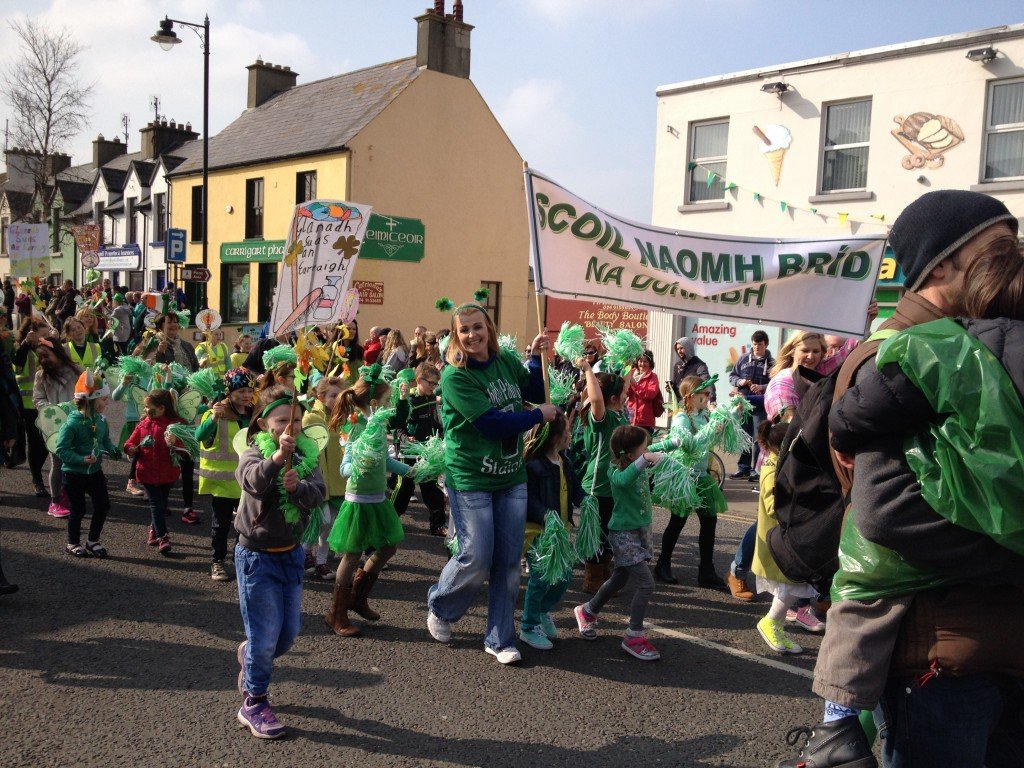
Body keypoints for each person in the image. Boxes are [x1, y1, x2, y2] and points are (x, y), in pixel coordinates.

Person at [776, 189, 1022, 768]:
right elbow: (890, 514)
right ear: (941, 263)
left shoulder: (986, 346)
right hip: (942, 659)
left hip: (996, 650)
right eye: (999, 249)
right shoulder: (899, 358)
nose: (1016, 261)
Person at [425, 301, 556, 665]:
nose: (471, 335)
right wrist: (535, 416)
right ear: (456, 334)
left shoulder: (503, 360)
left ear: (489, 328)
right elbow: (491, 422)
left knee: (509, 561)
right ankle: (441, 604)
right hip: (471, 479)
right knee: (477, 557)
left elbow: (533, 386)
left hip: (510, 476)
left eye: (477, 327)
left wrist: (535, 357)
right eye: (463, 329)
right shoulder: (455, 376)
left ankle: (499, 638)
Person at [234, 384, 325, 740]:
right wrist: (274, 463)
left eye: (297, 420)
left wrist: (297, 488)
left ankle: (251, 652)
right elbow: (252, 483)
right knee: (265, 637)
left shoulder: (306, 457)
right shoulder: (254, 452)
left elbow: (316, 494)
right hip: (256, 558)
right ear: (263, 425)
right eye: (282, 420)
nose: (291, 428)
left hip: (291, 554)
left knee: (286, 636)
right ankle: (253, 702)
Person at [324, 364, 412, 637]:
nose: (389, 405)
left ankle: (358, 598)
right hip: (359, 499)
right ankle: (336, 613)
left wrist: (413, 471)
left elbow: (386, 461)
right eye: (386, 401)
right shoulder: (356, 427)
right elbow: (345, 468)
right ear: (374, 402)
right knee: (352, 553)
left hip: (377, 498)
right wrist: (359, 463)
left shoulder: (376, 425)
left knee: (388, 547)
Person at [573, 424, 665, 661]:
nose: (648, 449)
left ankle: (588, 611)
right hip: (623, 534)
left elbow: (654, 448)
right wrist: (646, 458)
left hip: (640, 532)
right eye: (644, 448)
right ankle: (633, 635)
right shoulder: (614, 471)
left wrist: (675, 443)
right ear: (632, 454)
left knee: (619, 578)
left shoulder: (638, 460)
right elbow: (625, 480)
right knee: (646, 584)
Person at [650, 376, 728, 588]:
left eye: (709, 393)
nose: (708, 396)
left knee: (710, 521)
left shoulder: (703, 416)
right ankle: (663, 564)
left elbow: (708, 442)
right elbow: (689, 445)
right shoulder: (681, 418)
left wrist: (728, 419)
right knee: (678, 520)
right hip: (685, 475)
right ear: (691, 397)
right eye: (704, 393)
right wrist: (711, 430)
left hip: (701, 476)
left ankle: (706, 571)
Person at [519, 412, 584, 650]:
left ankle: (543, 610)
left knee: (563, 577)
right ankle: (528, 626)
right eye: (566, 431)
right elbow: (529, 500)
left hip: (561, 531)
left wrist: (586, 501)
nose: (570, 435)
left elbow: (575, 488)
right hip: (538, 532)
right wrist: (545, 514)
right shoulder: (533, 466)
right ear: (555, 437)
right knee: (540, 578)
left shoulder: (564, 461)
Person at [751, 420, 812, 654]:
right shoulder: (771, 469)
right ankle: (769, 623)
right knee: (789, 585)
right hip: (777, 540)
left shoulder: (783, 464)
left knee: (791, 586)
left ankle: (776, 624)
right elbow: (771, 506)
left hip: (786, 537)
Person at [196, 367, 256, 582]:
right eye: (241, 391)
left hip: (247, 482)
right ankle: (217, 561)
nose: (246, 395)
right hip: (222, 484)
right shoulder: (217, 412)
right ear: (229, 392)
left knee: (247, 525)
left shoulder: (253, 414)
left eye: (250, 390)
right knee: (220, 525)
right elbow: (199, 435)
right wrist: (212, 418)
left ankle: (241, 559)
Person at [54, 371, 121, 558]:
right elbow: (62, 450)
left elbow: (105, 440)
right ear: (92, 400)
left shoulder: (100, 420)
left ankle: (92, 541)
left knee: (103, 505)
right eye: (104, 399)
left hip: (95, 472)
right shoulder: (71, 425)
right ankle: (72, 543)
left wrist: (113, 450)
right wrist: (80, 459)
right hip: (74, 474)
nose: (107, 403)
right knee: (78, 509)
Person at [578, 357, 628, 593]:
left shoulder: (619, 414)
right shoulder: (601, 417)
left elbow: (622, 385)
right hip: (597, 486)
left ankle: (603, 571)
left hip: (615, 486)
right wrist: (588, 369)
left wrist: (628, 362)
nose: (627, 394)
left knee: (609, 532)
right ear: (614, 398)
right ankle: (592, 578)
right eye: (623, 393)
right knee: (596, 535)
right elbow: (597, 397)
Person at [124, 389, 187, 555]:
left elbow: (185, 450)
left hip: (167, 472)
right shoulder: (143, 424)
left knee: (162, 503)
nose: (145, 411)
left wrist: (175, 442)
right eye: (144, 407)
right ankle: (163, 536)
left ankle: (153, 529)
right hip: (147, 472)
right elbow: (130, 442)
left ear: (162, 408)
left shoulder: (175, 426)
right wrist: (130, 449)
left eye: (148, 407)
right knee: (156, 505)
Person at [391, 363, 447, 536]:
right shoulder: (408, 402)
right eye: (431, 383)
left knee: (433, 490)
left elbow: (434, 420)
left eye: (436, 384)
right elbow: (397, 426)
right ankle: (389, 522)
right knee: (404, 490)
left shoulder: (430, 399)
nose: (434, 387)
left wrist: (441, 433)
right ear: (419, 380)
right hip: (408, 453)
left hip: (427, 452)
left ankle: (437, 525)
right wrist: (405, 438)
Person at [32, 337, 81, 518]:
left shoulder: (75, 370)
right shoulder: (40, 375)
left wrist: (75, 404)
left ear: (58, 352)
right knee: (57, 462)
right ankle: (55, 501)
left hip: (74, 422)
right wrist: (51, 408)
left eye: (47, 355)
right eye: (41, 357)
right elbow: (37, 398)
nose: (44, 360)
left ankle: (70, 496)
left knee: (74, 460)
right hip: (52, 424)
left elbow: (85, 392)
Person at [13, 317, 52, 497]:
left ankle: (38, 476)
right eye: (42, 334)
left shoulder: (49, 347)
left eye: (47, 334)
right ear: (31, 333)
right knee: (34, 442)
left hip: (48, 402)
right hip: (28, 404)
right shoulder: (22, 347)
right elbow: (17, 366)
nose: (45, 337)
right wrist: (26, 344)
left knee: (46, 443)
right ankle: (37, 479)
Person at [728, 330, 773, 479]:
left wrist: (762, 387)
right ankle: (743, 468)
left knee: (757, 438)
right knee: (744, 437)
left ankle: (757, 469)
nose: (756, 347)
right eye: (754, 344)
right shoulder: (743, 359)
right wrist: (740, 382)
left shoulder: (772, 363)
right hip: (743, 404)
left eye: (759, 344)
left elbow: (775, 382)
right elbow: (732, 376)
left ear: (766, 344)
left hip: (760, 406)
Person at [669, 337, 715, 406]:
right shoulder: (677, 365)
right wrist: (670, 388)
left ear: (688, 348)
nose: (679, 351)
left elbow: (708, 383)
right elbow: (677, 386)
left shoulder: (699, 365)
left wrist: (712, 401)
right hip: (679, 405)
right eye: (677, 349)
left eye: (681, 348)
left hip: (694, 405)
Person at [626, 350, 660, 432]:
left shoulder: (653, 377)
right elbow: (625, 393)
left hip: (645, 421)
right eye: (640, 361)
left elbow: (650, 394)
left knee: (645, 444)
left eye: (646, 361)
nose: (642, 364)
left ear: (650, 363)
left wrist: (635, 385)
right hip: (630, 418)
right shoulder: (630, 373)